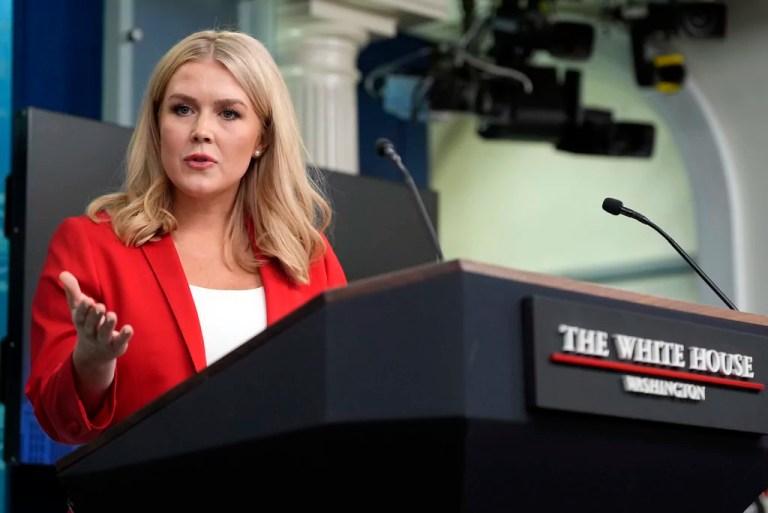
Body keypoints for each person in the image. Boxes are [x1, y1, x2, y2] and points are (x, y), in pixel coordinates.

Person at [24, 29, 347, 447]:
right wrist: (91, 362)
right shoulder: (91, 245)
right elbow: (56, 421)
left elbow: (346, 400)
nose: (201, 131)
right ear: (158, 125)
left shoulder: (310, 259)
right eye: (182, 109)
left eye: (228, 113)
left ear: (262, 138)